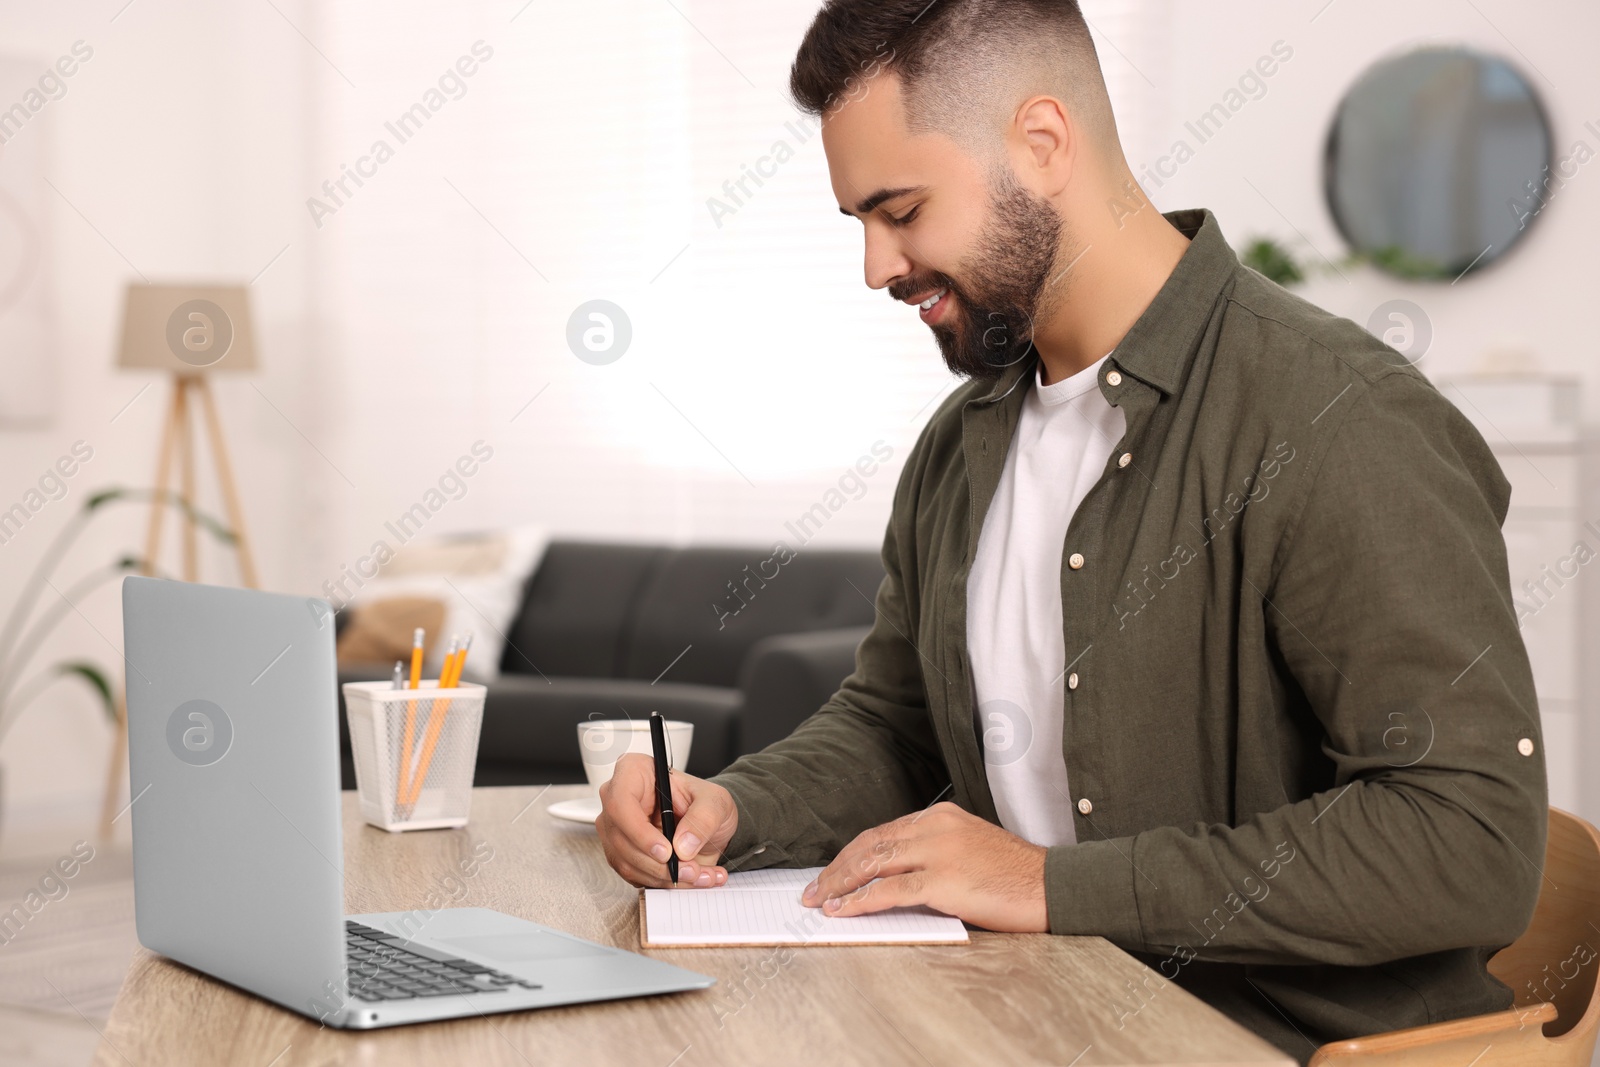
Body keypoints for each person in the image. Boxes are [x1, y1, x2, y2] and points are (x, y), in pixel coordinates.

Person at [597, 0, 1547, 1058]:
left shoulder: (1337, 418)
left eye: (900, 208)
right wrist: (730, 805)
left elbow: (1466, 838)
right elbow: (895, 723)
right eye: (859, 222)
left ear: (1042, 142)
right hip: (1035, 1014)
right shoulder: (964, 442)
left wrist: (1047, 880)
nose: (875, 266)